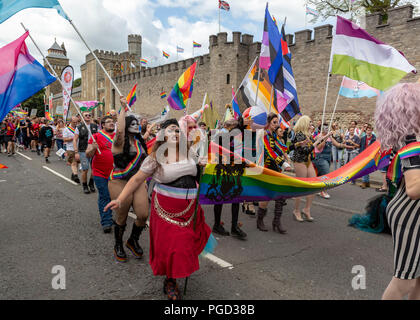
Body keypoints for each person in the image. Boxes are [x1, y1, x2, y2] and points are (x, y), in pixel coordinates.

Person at [104, 118, 213, 300]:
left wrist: (202, 167)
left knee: (185, 246)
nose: (176, 133)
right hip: (166, 211)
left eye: (178, 130)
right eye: (171, 130)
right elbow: (137, 180)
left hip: (190, 210)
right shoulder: (155, 158)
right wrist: (120, 199)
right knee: (173, 248)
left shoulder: (190, 153)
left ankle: (176, 272)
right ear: (162, 135)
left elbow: (198, 178)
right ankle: (170, 281)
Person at [374, 83, 420, 300]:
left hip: (410, 212)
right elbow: (413, 189)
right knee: (404, 280)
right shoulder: (413, 142)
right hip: (411, 215)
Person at [108, 98, 149, 262]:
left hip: (137, 182)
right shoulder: (119, 142)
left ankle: (132, 240)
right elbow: (119, 132)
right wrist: (123, 108)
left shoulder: (139, 142)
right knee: (122, 215)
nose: (135, 124)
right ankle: (118, 244)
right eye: (130, 123)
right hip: (119, 180)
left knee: (143, 214)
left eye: (136, 122)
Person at [211, 118, 248, 239]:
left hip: (234, 168)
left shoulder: (236, 133)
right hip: (223, 169)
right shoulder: (222, 134)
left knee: (236, 197)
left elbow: (237, 151)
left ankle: (234, 227)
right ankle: (217, 225)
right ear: (230, 126)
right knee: (220, 198)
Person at [257, 113, 292, 233]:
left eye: (277, 122)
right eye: (274, 122)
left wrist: (296, 145)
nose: (277, 125)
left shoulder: (274, 135)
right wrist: (283, 163)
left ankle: (277, 222)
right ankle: (260, 220)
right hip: (267, 168)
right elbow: (269, 151)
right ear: (268, 123)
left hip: (276, 168)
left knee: (280, 195)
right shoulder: (264, 134)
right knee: (266, 196)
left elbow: (281, 147)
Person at [290, 115, 327, 222]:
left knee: (313, 184)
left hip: (308, 161)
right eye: (310, 123)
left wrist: (322, 138)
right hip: (300, 161)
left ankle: (307, 209)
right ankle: (296, 210)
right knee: (301, 186)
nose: (312, 124)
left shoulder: (308, 135)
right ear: (305, 123)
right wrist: (316, 141)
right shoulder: (299, 135)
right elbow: (307, 150)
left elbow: (312, 145)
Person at [86, 116, 115, 233]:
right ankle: (106, 221)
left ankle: (109, 214)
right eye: (109, 122)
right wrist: (93, 148)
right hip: (100, 172)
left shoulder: (118, 136)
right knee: (104, 196)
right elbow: (88, 154)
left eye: (113, 122)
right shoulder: (96, 137)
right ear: (102, 125)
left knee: (114, 196)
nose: (112, 123)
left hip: (116, 172)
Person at [313, 124, 344, 199]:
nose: (327, 129)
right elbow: (319, 147)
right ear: (320, 129)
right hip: (320, 157)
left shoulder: (330, 137)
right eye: (325, 128)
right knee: (326, 174)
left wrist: (346, 145)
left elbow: (337, 144)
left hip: (328, 157)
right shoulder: (318, 137)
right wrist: (326, 137)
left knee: (321, 175)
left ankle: (318, 189)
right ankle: (323, 191)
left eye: (327, 128)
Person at [74, 112, 98, 194]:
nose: (88, 116)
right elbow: (75, 140)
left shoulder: (95, 126)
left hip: (93, 150)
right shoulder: (79, 127)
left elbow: (98, 138)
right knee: (85, 169)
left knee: (94, 169)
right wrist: (76, 152)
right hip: (83, 150)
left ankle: (91, 183)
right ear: (82, 117)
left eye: (89, 115)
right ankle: (85, 185)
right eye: (86, 115)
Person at [63, 116, 80, 184]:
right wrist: (73, 138)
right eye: (74, 122)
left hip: (79, 148)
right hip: (70, 148)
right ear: (70, 122)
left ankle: (73, 174)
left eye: (77, 122)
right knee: (73, 162)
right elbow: (64, 139)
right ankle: (76, 176)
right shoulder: (66, 129)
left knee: (77, 163)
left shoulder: (79, 128)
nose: (75, 123)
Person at [359, 124, 377, 189]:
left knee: (367, 168)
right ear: (365, 131)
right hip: (364, 154)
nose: (368, 132)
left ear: (372, 131)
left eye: (370, 130)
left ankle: (366, 182)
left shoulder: (374, 138)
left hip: (371, 155)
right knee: (364, 168)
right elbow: (361, 146)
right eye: (367, 130)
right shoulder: (363, 138)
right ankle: (365, 182)